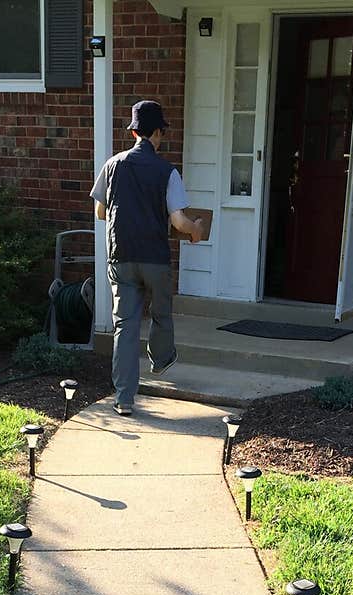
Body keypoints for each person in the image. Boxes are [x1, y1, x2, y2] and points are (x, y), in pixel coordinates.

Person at [90, 100, 205, 415]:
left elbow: (101, 212)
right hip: (154, 258)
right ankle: (161, 359)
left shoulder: (112, 165)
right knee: (161, 312)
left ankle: (124, 399)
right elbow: (179, 222)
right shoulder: (167, 171)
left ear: (133, 131)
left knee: (125, 327)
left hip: (121, 257)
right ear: (157, 133)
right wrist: (195, 230)